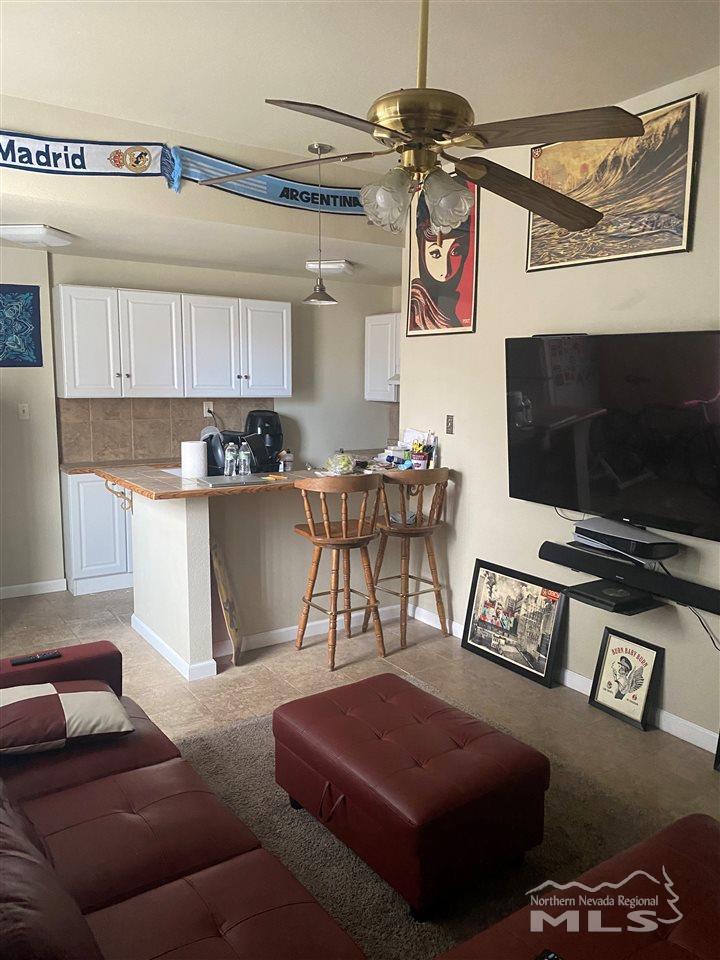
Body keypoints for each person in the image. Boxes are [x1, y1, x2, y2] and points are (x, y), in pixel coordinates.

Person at [409, 193, 472, 331]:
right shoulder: (417, 301)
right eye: (435, 253)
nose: (446, 270)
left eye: (456, 252)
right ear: (421, 250)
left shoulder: (451, 308)